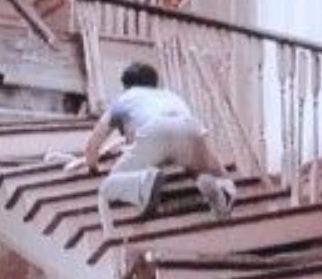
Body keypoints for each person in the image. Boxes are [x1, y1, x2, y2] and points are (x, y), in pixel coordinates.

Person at [81, 62, 237, 235]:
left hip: (154, 131)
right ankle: (217, 193)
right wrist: (223, 176)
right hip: (189, 128)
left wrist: (92, 167)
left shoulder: (125, 99)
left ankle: (145, 181)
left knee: (110, 184)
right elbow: (206, 147)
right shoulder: (171, 96)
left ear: (126, 86)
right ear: (155, 82)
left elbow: (93, 144)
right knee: (200, 170)